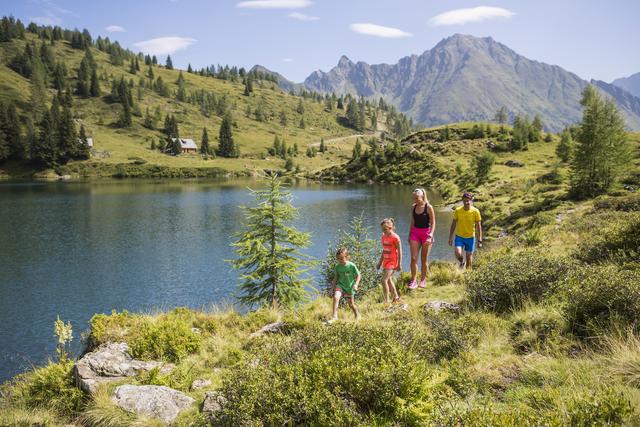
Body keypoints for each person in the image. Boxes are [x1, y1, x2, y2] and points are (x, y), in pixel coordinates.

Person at [407, 188, 436, 289]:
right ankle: (413, 280)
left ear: (422, 196)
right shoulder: (413, 207)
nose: (415, 199)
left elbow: (433, 223)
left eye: (417, 198)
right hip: (415, 233)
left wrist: (431, 235)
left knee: (424, 259)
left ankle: (423, 280)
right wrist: (409, 234)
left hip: (426, 234)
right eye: (414, 198)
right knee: (413, 258)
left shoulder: (429, 207)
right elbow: (412, 222)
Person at [448, 192, 483, 269]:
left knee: (469, 258)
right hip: (459, 236)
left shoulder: (475, 211)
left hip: (470, 237)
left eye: (468, 200)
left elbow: (478, 226)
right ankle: (462, 261)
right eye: (465, 200)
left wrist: (480, 240)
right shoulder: (458, 210)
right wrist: (450, 237)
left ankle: (467, 275)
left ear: (471, 201)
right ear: (462, 201)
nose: (467, 202)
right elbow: (453, 224)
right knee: (458, 253)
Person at [327, 247, 361, 324]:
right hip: (340, 285)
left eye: (342, 258)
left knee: (351, 305)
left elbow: (358, 275)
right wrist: (332, 289)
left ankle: (357, 315)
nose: (340, 260)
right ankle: (335, 316)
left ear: (347, 257)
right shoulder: (337, 267)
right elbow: (335, 278)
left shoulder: (351, 265)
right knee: (336, 297)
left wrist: (356, 284)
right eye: (338, 259)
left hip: (349, 287)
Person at [377, 218, 402, 306]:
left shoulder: (395, 237)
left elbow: (400, 251)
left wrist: (399, 264)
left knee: (384, 280)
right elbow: (384, 250)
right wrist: (380, 262)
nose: (383, 231)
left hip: (392, 261)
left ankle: (386, 301)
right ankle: (396, 297)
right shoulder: (383, 236)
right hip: (386, 261)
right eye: (382, 230)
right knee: (389, 280)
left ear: (391, 228)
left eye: (385, 229)